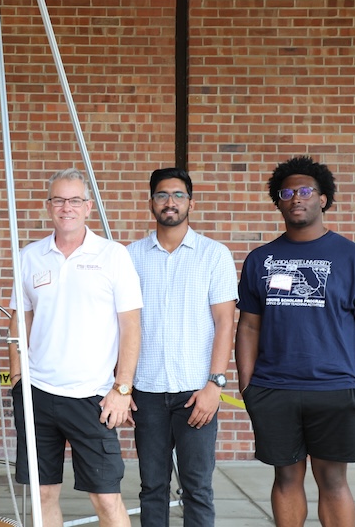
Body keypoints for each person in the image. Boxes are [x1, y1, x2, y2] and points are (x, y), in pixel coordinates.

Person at [235, 156, 355, 527]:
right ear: (278, 201)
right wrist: (247, 385)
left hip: (334, 389)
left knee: (333, 481)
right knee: (286, 478)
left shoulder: (354, 258)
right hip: (274, 388)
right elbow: (249, 327)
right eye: (286, 192)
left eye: (305, 190)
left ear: (323, 199)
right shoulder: (260, 260)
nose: (295, 198)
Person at [7, 167, 143, 527]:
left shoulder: (113, 255)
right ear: (48, 205)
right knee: (42, 495)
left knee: (106, 497)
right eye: (59, 200)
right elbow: (21, 320)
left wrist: (122, 389)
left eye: (74, 200)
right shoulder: (30, 256)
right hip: (38, 394)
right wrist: (18, 379)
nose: (66, 207)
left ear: (87, 207)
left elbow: (131, 326)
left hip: (93, 397)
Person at [127, 168, 237, 527]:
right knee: (152, 487)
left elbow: (225, 322)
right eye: (161, 195)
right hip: (147, 390)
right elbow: (120, 326)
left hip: (196, 391)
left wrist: (215, 385)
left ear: (190, 202)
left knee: (197, 487)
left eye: (177, 195)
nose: (169, 202)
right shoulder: (130, 256)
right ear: (150, 203)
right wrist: (121, 385)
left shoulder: (213, 254)